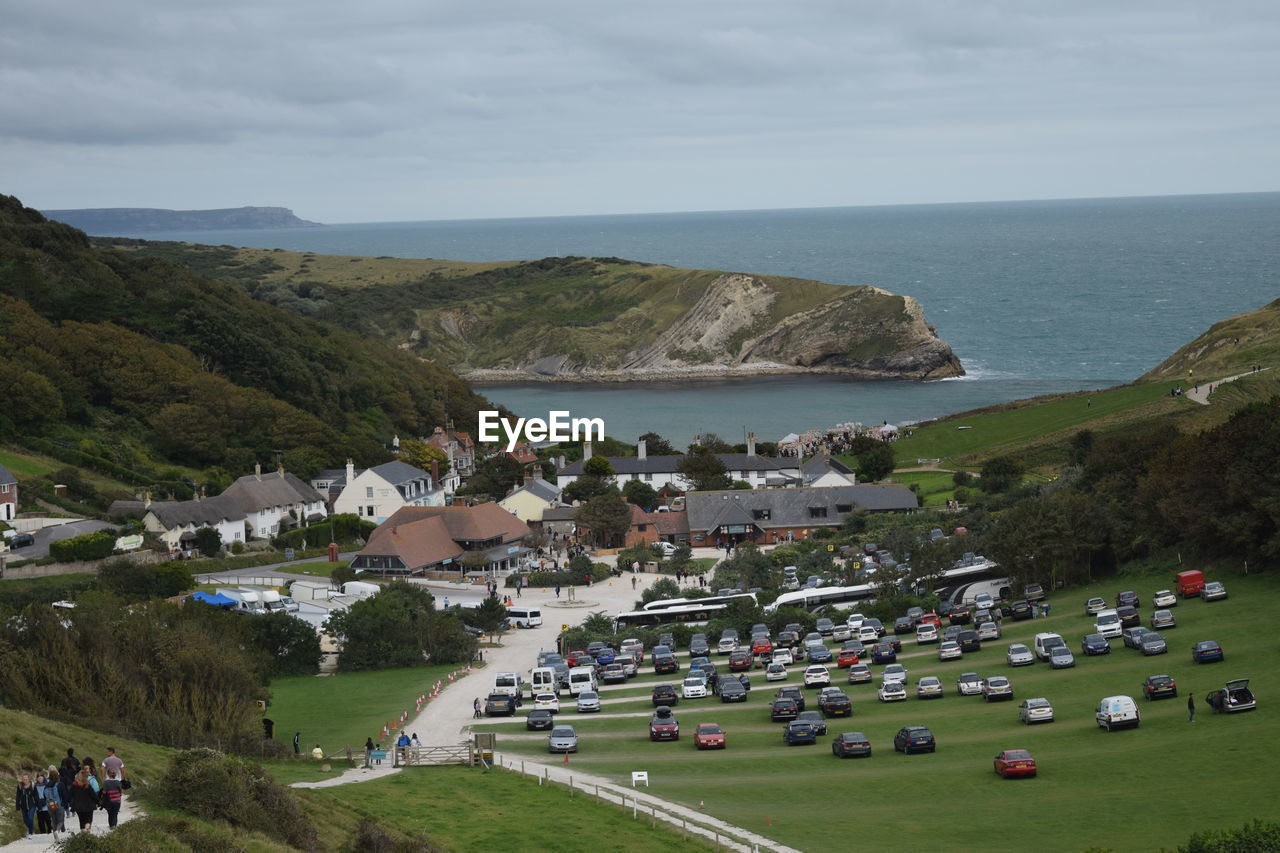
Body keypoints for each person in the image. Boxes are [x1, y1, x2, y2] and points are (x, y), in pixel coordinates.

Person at [70, 768, 98, 833]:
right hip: (88, 806)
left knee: (81, 820)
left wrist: (70, 804)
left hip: (78, 806)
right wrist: (98, 802)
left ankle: (83, 833)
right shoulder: (87, 785)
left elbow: (70, 796)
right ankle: (86, 829)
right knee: (89, 820)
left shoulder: (74, 786)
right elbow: (93, 795)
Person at [44, 769, 65, 841]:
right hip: (59, 805)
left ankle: (55, 837)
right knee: (60, 821)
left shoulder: (46, 785)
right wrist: (65, 804)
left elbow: (45, 796)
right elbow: (64, 795)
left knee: (53, 820)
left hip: (50, 805)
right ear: (57, 776)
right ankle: (57, 831)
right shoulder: (60, 784)